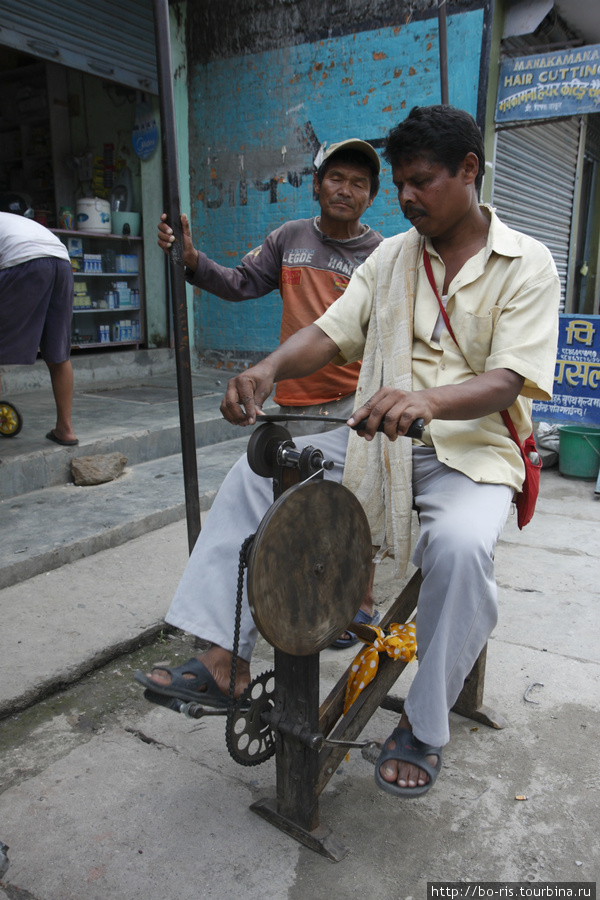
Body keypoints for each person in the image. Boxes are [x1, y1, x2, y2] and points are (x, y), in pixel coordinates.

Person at [137, 105, 559, 798]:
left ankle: (424, 726)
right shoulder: (391, 258)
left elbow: (509, 379)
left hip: (473, 453)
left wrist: (429, 400)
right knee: (259, 472)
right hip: (377, 444)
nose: (406, 196)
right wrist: (267, 370)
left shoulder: (527, 263)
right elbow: (333, 335)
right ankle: (222, 655)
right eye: (400, 183)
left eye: (422, 181)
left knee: (457, 548)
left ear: (469, 171)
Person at [157, 138, 382, 433]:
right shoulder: (289, 237)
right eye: (336, 179)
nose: (344, 191)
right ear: (316, 184)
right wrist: (192, 259)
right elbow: (239, 283)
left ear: (371, 196)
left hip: (354, 403)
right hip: (293, 401)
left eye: (358, 184)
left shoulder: (380, 254)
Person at [0, 205, 78, 445]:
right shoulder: (10, 220)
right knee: (58, 353)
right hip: (61, 261)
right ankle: (65, 429)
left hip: (24, 260)